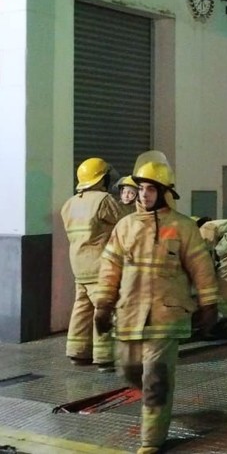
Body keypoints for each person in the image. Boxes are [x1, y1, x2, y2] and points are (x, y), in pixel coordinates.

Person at [93, 152, 219, 454]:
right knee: (130, 370)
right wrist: (103, 304)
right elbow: (110, 268)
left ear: (164, 192)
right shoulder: (125, 227)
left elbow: (202, 266)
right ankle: (156, 404)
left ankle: (151, 440)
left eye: (151, 189)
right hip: (130, 314)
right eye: (141, 189)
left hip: (167, 315)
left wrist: (210, 303)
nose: (144, 195)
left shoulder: (183, 226)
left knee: (156, 378)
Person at [60, 157, 126, 372]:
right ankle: (105, 357)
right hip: (100, 265)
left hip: (79, 265)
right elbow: (124, 221)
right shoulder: (103, 200)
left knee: (82, 308)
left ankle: (77, 353)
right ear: (102, 178)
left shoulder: (70, 204)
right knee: (104, 308)